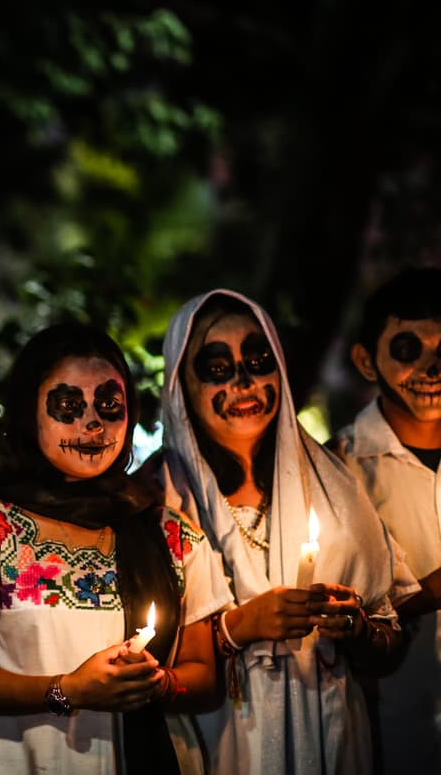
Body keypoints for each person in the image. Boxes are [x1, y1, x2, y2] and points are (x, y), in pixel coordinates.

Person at [0, 323, 231, 774]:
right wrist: (69, 690)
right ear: (27, 413)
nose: (92, 423)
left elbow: (205, 677)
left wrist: (157, 685)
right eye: (68, 405)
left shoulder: (171, 533)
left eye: (109, 405)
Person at [149, 289, 404, 774]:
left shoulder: (334, 484)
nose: (245, 382)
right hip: (217, 739)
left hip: (331, 732)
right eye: (218, 367)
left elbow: (388, 641)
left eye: (259, 360)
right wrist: (237, 629)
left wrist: (356, 628)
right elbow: (139, 655)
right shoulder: (156, 501)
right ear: (182, 382)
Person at [329, 267, 441, 772]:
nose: (431, 368)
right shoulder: (339, 471)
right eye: (407, 349)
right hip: (390, 735)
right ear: (366, 360)